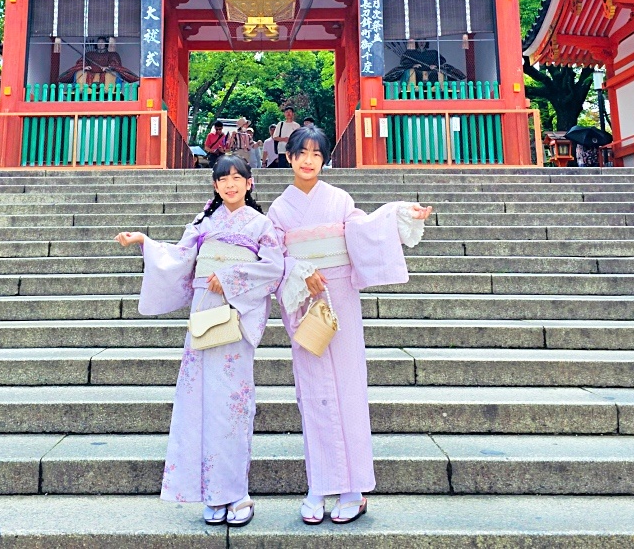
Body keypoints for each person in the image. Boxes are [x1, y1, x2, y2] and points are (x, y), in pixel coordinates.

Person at [266, 125, 432, 526]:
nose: (308, 160)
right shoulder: (277, 210)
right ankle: (319, 485)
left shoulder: (340, 200)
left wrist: (399, 215)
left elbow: (363, 230)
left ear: (324, 160)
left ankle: (354, 489)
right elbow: (271, 258)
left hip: (339, 296)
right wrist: (298, 270)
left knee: (348, 387)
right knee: (312, 391)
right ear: (288, 157)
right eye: (301, 153)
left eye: (316, 154)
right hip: (304, 303)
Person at [115, 155, 283, 527]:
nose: (231, 184)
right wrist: (145, 241)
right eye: (224, 178)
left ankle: (236, 494)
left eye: (238, 177)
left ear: (250, 184)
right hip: (205, 313)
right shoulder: (204, 221)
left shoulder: (261, 224)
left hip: (236, 315)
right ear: (215, 185)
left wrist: (232, 276)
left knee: (232, 406)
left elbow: (274, 267)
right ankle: (209, 493)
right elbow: (178, 256)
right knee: (198, 404)